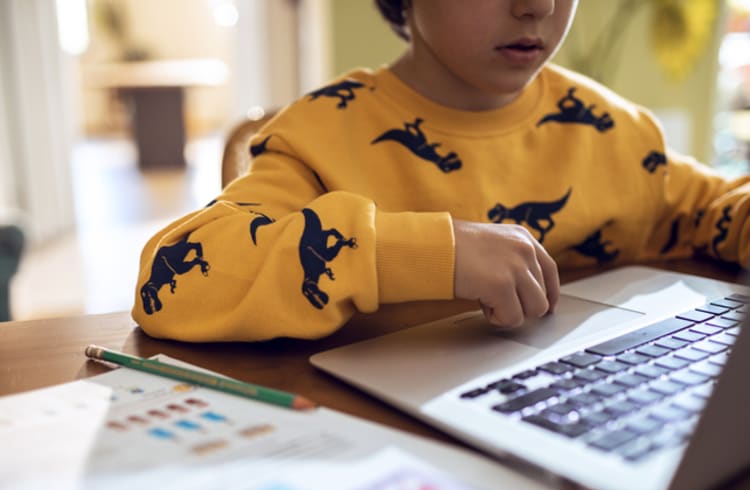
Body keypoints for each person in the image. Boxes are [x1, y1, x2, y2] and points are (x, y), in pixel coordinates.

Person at [132, 0, 750, 343]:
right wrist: (432, 254)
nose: (536, 6)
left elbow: (718, 207)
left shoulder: (614, 131)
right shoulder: (321, 137)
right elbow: (179, 277)